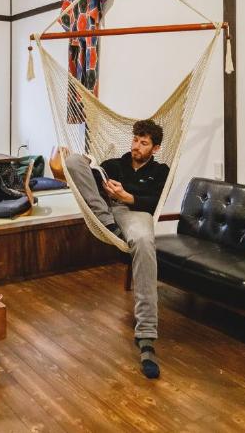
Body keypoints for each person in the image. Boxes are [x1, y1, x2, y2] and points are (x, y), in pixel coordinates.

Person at [62, 119, 170, 379]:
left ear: (155, 148)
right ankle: (109, 224)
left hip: (135, 213)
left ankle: (145, 335)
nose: (136, 146)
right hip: (107, 212)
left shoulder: (161, 170)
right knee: (74, 161)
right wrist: (86, 162)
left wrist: (127, 196)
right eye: (135, 140)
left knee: (144, 243)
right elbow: (88, 173)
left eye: (143, 143)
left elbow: (156, 202)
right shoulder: (115, 164)